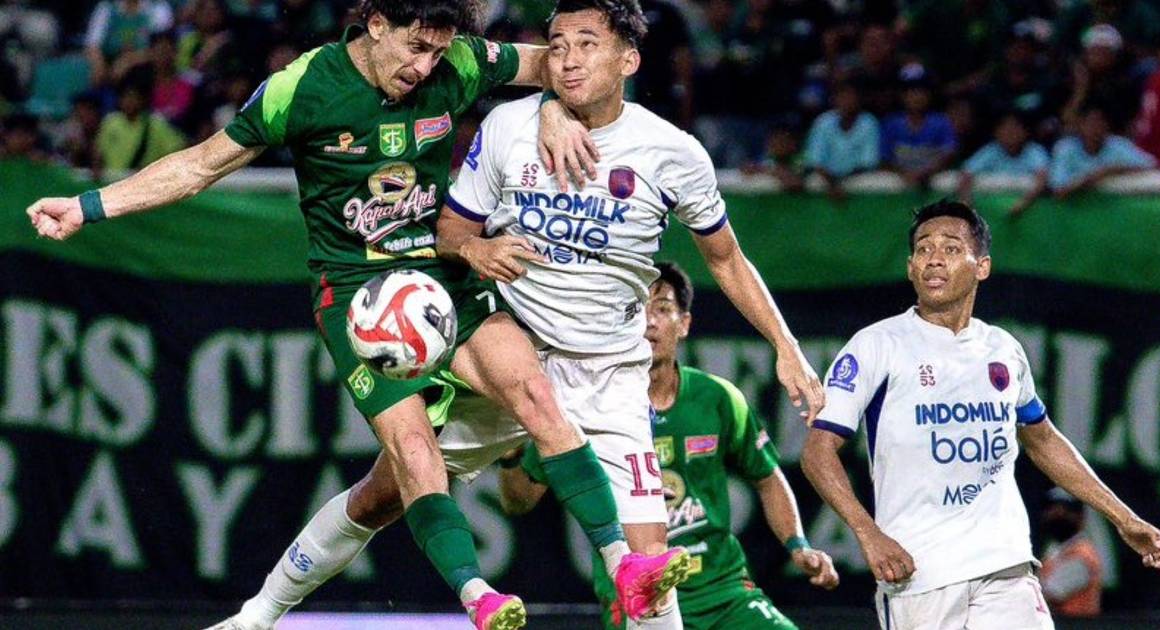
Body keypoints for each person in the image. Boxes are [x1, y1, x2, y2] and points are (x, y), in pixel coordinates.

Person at [26, 2, 683, 629]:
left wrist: (551, 108)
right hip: (359, 296)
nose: (426, 67)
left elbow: (557, 63)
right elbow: (200, 166)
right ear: (375, 24)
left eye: (438, 53)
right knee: (411, 455)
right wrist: (88, 206)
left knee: (537, 395)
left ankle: (622, 562)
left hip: (440, 272)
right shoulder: (304, 87)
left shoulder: (458, 60)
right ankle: (477, 596)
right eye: (415, 48)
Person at [436, 0, 826, 625]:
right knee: (388, 489)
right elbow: (450, 232)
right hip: (513, 358)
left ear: (629, 60)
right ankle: (272, 605)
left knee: (650, 567)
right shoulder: (509, 125)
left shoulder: (672, 152)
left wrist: (786, 346)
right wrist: (477, 248)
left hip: (611, 374)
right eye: (557, 44)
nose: (568, 59)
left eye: (588, 44)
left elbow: (727, 260)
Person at [800, 199, 1160, 630]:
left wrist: (1125, 519)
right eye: (923, 249)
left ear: (982, 267)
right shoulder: (876, 345)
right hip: (920, 576)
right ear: (909, 267)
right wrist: (869, 534)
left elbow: (1043, 439)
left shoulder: (1003, 349)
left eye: (951, 248)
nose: (934, 258)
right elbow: (817, 452)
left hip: (1006, 567)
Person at [498, 261, 840, 630]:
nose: (648, 321)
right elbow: (518, 501)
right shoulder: (584, 409)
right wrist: (510, 451)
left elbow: (767, 477)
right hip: (637, 598)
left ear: (684, 323)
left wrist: (798, 545)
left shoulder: (718, 398)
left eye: (662, 308)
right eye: (636, 308)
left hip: (723, 593)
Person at [1049, 105, 1155, 198]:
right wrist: (1094, 177)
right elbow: (1058, 190)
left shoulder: (1118, 145)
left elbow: (1152, 166)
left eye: (1101, 122)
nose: (1097, 128)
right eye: (1092, 123)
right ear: (1081, 125)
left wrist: (1113, 170)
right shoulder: (1066, 148)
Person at [956, 113, 1049, 216]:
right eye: (1005, 129)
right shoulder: (990, 150)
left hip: (1025, 205)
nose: (1010, 133)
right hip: (989, 206)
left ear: (1025, 132)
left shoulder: (1034, 151)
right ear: (996, 132)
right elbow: (967, 173)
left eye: (1015, 128)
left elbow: (1042, 178)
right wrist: (966, 201)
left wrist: (1024, 203)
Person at [804, 79, 881, 203]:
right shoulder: (823, 122)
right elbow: (815, 162)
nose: (847, 101)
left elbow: (867, 163)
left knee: (876, 182)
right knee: (813, 182)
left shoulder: (869, 122)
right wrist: (833, 184)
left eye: (851, 96)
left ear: (859, 99)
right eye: (842, 97)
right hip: (827, 179)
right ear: (834, 99)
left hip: (856, 177)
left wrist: (841, 183)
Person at [881, 64, 957, 188]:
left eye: (921, 91)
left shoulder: (941, 122)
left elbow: (949, 153)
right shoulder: (891, 124)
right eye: (911, 91)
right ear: (902, 95)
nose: (916, 96)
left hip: (932, 187)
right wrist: (905, 174)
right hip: (900, 187)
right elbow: (884, 159)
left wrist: (927, 172)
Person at [1038, 488, 1103, 618]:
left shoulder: (1082, 555)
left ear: (1081, 516)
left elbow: (1050, 595)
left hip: (1075, 624)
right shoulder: (1055, 548)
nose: (1058, 513)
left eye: (1066, 509)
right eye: (1052, 508)